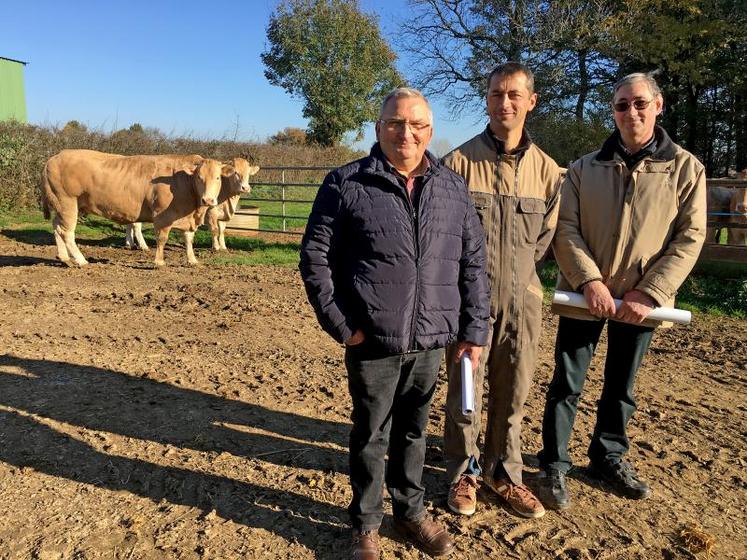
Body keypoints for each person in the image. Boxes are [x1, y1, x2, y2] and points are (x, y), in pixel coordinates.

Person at [299, 87, 490, 559]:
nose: (407, 132)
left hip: (430, 340)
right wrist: (343, 325)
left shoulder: (451, 186)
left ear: (430, 131)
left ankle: (410, 513)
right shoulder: (345, 182)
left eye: (417, 124)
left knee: (414, 432)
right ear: (379, 127)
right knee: (371, 433)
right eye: (396, 122)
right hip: (372, 341)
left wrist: (473, 330)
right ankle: (366, 522)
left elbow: (473, 263)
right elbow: (314, 258)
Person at [537, 72, 707, 510]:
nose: (630, 112)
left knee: (621, 385)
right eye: (621, 105)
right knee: (566, 383)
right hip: (582, 298)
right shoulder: (581, 168)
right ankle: (554, 463)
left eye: (639, 104)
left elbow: (689, 238)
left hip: (641, 303)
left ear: (658, 105)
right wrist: (588, 281)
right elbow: (566, 230)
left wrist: (650, 293)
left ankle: (607, 457)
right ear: (612, 111)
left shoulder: (687, 169)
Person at [442, 62, 562, 519]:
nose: (504, 102)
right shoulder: (457, 164)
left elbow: (545, 240)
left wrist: (520, 284)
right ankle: (463, 473)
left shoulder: (548, 172)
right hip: (470, 311)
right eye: (496, 94)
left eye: (514, 95)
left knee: (512, 396)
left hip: (523, 308)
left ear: (531, 101)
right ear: (486, 99)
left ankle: (505, 473)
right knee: (466, 395)